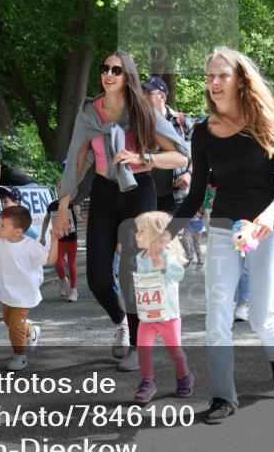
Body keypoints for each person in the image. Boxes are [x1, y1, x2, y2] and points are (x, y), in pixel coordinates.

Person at [150, 46, 274, 424]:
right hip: (222, 228)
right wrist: (165, 235)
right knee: (217, 315)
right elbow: (198, 192)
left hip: (268, 230)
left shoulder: (265, 121)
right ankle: (222, 396)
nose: (214, 83)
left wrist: (270, 214)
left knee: (261, 315)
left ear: (240, 80)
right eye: (209, 76)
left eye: (222, 75)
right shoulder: (203, 132)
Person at [53, 51, 189, 372]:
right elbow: (77, 160)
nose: (108, 74)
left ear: (128, 76)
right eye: (104, 69)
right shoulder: (90, 113)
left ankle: (135, 345)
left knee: (132, 274)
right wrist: (63, 206)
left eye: (116, 70)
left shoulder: (143, 111)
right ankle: (121, 322)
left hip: (138, 191)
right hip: (103, 192)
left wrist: (145, 158)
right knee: (97, 278)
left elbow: (181, 155)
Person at [0, 205, 58, 371]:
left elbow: (50, 259)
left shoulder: (31, 246)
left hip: (25, 295)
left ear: (18, 231)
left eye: (2, 225)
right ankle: (32, 330)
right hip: (7, 293)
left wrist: (55, 240)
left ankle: (20, 356)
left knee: (15, 326)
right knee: (9, 322)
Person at [131, 211, 192, 404]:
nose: (136, 235)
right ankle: (148, 382)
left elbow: (178, 274)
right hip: (148, 314)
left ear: (156, 235)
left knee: (175, 350)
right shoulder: (141, 257)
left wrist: (163, 265)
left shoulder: (167, 254)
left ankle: (184, 376)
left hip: (168, 315)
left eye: (141, 231)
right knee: (143, 348)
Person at [143, 76, 194, 214]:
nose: (143, 97)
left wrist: (189, 175)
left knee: (167, 236)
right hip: (145, 195)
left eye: (148, 93)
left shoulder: (184, 121)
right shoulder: (140, 123)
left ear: (162, 97)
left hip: (175, 197)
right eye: (142, 93)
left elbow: (195, 155)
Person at [41, 193, 79, 302]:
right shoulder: (52, 205)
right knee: (59, 264)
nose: (62, 190)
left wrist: (75, 201)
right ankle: (63, 280)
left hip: (72, 239)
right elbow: (46, 220)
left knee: (71, 264)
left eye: (65, 188)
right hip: (59, 240)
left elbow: (77, 213)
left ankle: (73, 290)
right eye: (60, 188)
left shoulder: (73, 204)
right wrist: (43, 236)